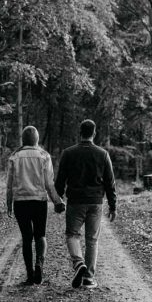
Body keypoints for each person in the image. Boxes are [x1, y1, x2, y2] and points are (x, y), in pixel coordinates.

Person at [54, 119, 116, 289]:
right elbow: (110, 183)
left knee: (72, 235)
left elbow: (60, 180)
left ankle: (78, 263)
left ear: (79, 132)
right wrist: (113, 205)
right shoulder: (102, 154)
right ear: (94, 133)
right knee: (92, 240)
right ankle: (88, 278)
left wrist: (57, 200)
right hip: (95, 202)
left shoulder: (68, 153)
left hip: (75, 202)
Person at [6, 125, 64, 285]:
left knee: (26, 238)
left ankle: (30, 275)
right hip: (39, 202)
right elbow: (49, 184)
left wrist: (8, 203)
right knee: (40, 235)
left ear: (23, 140)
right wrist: (57, 202)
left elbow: (9, 184)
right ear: (37, 140)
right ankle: (40, 263)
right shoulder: (44, 155)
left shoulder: (14, 156)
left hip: (20, 203)